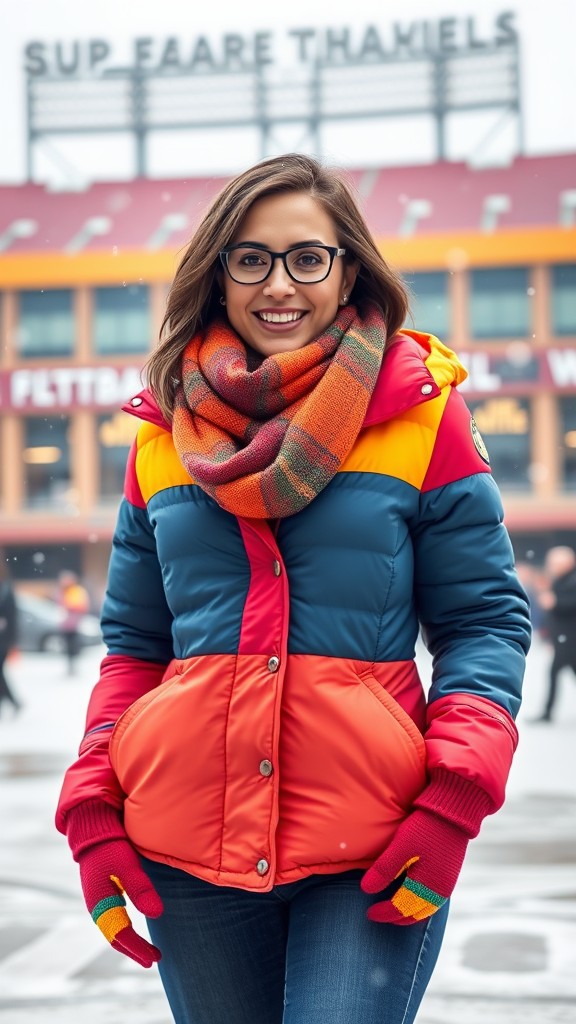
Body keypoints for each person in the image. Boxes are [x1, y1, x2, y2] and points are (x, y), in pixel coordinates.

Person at [55, 153, 531, 1024]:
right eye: (251, 258)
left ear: (349, 266)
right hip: (185, 855)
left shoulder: (422, 415)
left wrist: (453, 800)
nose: (281, 284)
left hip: (374, 850)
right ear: (217, 272)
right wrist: (92, 808)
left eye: (307, 257)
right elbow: (135, 651)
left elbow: (484, 625)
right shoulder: (159, 440)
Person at [533, 545, 576, 722]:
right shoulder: (561, 580)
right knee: (556, 672)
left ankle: (547, 712)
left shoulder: (572, 580)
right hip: (564, 637)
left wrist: (555, 602)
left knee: (554, 671)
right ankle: (547, 712)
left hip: (570, 637)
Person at [55, 570, 90, 675]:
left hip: (74, 625)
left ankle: (73, 666)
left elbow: (82, 606)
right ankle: (70, 665)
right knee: (66, 647)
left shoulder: (77, 591)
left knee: (73, 646)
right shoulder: (61, 591)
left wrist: (69, 606)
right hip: (64, 624)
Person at [0, 562, 21, 715]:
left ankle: (11, 701)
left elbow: (12, 617)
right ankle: (13, 701)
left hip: (4, 639)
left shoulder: (6, 590)